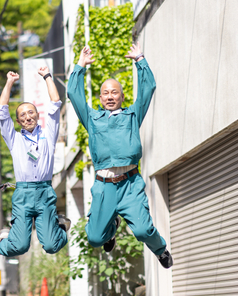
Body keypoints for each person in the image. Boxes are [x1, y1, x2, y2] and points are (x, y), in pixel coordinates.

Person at [67, 43, 173, 269]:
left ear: (122, 96)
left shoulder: (133, 115)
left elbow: (148, 88)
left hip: (130, 184)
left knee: (144, 230)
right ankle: (111, 228)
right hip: (104, 186)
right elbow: (74, 94)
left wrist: (140, 60)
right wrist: (80, 66)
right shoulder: (92, 118)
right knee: (95, 238)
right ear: (100, 98)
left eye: (114, 92)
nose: (110, 96)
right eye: (105, 93)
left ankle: (160, 249)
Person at [0, 68, 70, 256]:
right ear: (19, 121)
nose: (27, 116)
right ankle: (3, 240)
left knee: (52, 246)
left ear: (37, 116)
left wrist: (47, 77)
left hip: (45, 191)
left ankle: (60, 226)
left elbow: (55, 103)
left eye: (31, 113)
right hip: (23, 194)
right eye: (23, 115)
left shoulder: (48, 134)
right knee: (20, 246)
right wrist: (10, 82)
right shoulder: (14, 139)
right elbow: (2, 112)